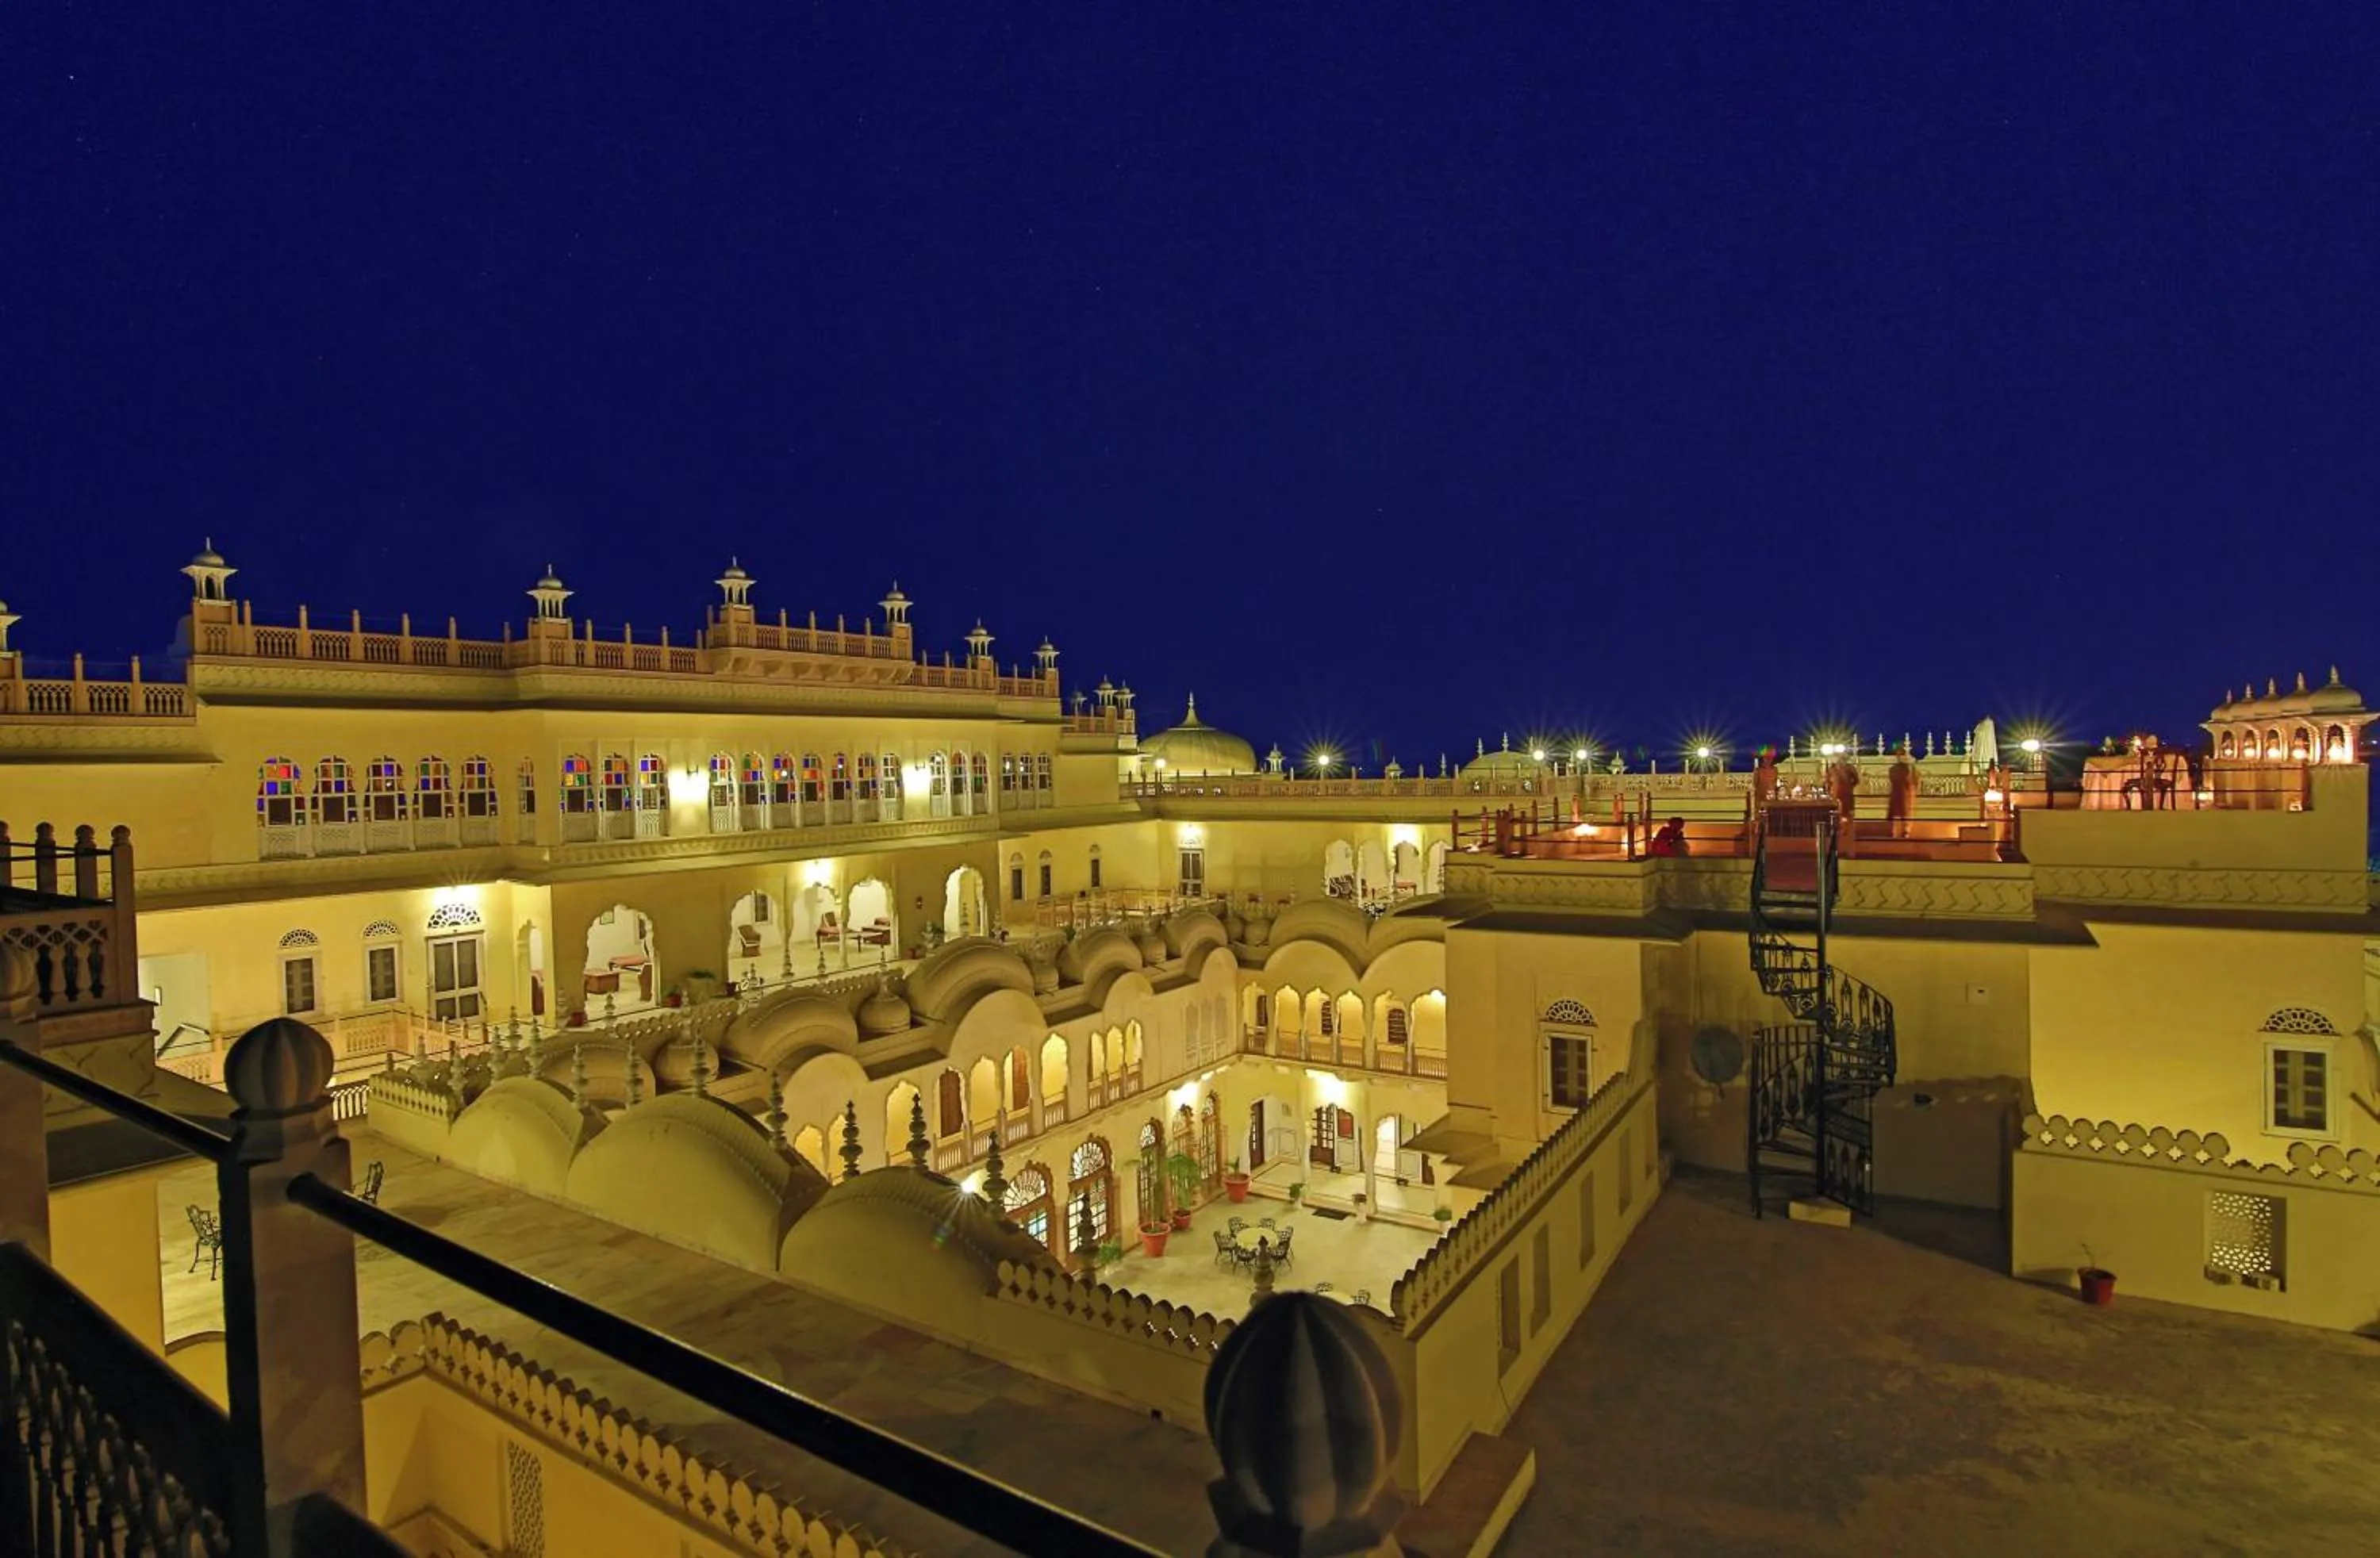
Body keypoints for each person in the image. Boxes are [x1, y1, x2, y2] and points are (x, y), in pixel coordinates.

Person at [1887, 745, 1920, 838]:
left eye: (1901, 754)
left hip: (1907, 794)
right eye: (1898, 755)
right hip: (1897, 793)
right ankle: (1893, 831)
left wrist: (1912, 791)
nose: (1899, 757)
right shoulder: (1893, 769)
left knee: (1906, 813)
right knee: (1895, 813)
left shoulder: (1910, 768)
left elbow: (1916, 781)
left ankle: (1906, 831)